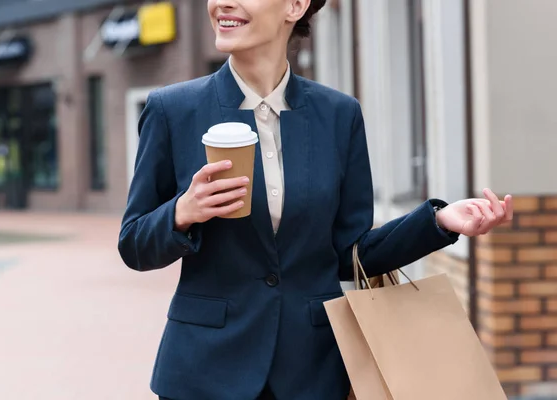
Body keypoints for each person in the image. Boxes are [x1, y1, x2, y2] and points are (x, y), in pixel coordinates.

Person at [118, 0, 514, 399]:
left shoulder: (338, 115)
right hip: (205, 371)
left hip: (312, 370)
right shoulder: (173, 110)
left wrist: (439, 222)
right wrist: (182, 213)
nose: (222, 2)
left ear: (295, 6)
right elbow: (134, 244)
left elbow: (351, 253)